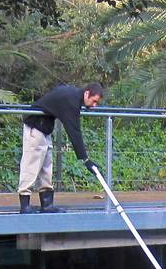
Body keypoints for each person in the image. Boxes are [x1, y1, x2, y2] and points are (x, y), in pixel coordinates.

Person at [18, 82, 103, 213]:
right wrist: (85, 159)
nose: (94, 105)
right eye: (94, 101)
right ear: (87, 93)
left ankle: (47, 205)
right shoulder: (71, 100)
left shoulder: (73, 95)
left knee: (46, 166)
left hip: (45, 129)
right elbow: (74, 131)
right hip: (34, 128)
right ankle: (25, 205)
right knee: (31, 165)